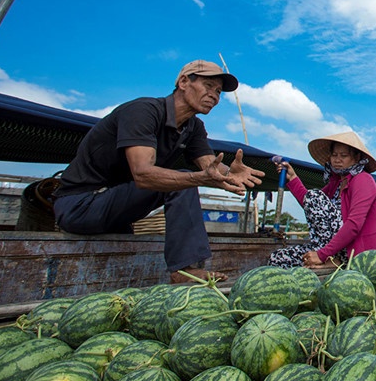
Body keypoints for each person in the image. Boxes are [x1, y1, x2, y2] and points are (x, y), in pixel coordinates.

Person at [52, 60, 264, 284]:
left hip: (116, 214)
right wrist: (195, 179)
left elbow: (209, 165)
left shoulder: (194, 127)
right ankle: (184, 269)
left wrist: (230, 173)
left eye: (219, 91)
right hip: (81, 205)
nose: (214, 96)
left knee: (183, 180)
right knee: (182, 180)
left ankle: (185, 267)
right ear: (183, 82)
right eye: (208, 86)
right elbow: (143, 174)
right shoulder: (143, 112)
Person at [267, 131, 376, 269]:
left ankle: (335, 261)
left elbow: (354, 224)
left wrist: (322, 254)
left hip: (355, 254)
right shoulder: (335, 184)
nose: (337, 160)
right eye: (334, 155)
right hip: (332, 249)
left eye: (344, 156)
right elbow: (312, 206)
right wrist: (293, 178)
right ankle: (329, 258)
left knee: (314, 196)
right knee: (279, 259)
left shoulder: (363, 180)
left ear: (356, 158)